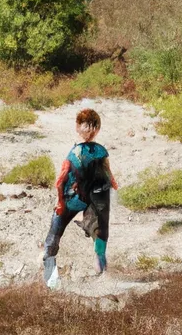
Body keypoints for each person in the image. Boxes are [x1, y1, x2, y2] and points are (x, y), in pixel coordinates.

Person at [42, 108, 119, 284]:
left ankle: (50, 279)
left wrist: (60, 202)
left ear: (77, 127)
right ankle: (102, 273)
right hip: (90, 197)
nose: (90, 130)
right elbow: (109, 175)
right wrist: (112, 187)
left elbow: (60, 181)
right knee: (100, 235)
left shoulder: (75, 153)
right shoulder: (100, 151)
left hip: (74, 198)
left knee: (55, 233)